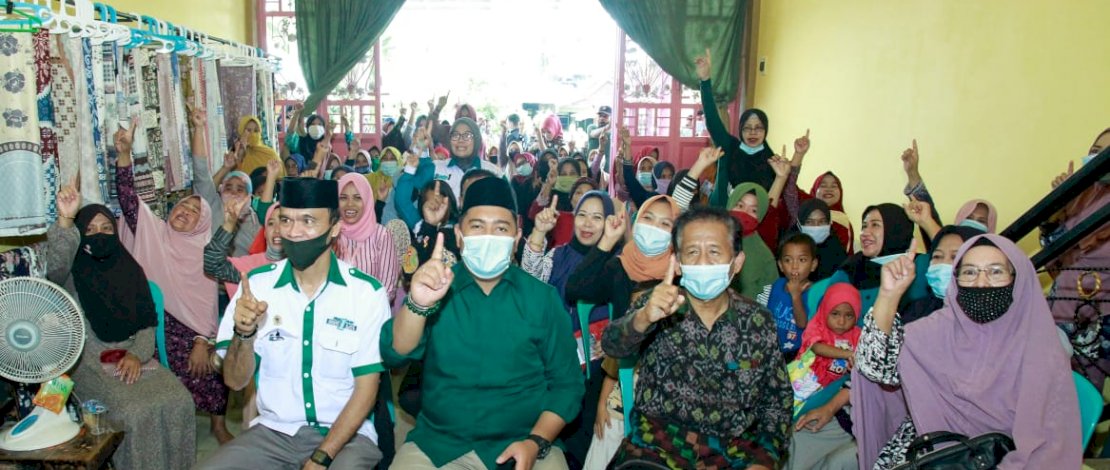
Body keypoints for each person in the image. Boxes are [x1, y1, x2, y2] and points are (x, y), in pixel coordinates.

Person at [382, 176, 583, 470]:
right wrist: (418, 304)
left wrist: (536, 441)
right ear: (460, 236)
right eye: (477, 227)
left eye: (501, 228)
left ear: (517, 238)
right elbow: (394, 353)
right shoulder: (438, 288)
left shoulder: (542, 299)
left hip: (525, 441)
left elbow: (567, 385)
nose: (489, 236)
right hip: (440, 444)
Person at [203, 178, 390, 469]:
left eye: (308, 221)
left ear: (335, 228)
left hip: (346, 435)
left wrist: (320, 458)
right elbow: (235, 381)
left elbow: (367, 390)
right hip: (274, 432)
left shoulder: (366, 293)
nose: (293, 232)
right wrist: (244, 333)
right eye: (285, 220)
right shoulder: (257, 286)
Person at [853, 234, 1081, 469]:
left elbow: (1045, 448)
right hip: (927, 451)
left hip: (995, 459)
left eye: (995, 272)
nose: (981, 283)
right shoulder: (938, 329)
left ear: (1017, 279)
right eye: (970, 272)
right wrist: (888, 295)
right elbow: (875, 369)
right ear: (956, 280)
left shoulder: (1040, 348)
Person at [602, 206, 791, 469]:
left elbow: (777, 401)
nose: (702, 262)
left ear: (736, 262)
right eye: (692, 252)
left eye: (714, 252)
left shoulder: (758, 322)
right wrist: (643, 318)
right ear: (677, 263)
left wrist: (765, 458)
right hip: (657, 450)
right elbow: (611, 344)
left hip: (732, 454)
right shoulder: (658, 305)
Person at [47, 183, 195, 470]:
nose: (99, 234)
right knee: (133, 411)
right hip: (86, 360)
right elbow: (54, 265)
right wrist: (66, 220)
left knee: (179, 400)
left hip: (132, 354)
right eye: (89, 230)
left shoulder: (129, 269)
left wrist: (136, 355)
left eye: (106, 227)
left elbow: (146, 321)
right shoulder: (70, 273)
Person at [113, 120, 231, 443]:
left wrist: (201, 342)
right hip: (147, 323)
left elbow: (207, 309)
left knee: (213, 366)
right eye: (183, 206)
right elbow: (128, 200)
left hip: (188, 332)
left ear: (201, 224)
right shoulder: (151, 231)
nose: (185, 212)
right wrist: (124, 155)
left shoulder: (203, 254)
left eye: (195, 212)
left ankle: (218, 425)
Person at [521, 190, 620, 467]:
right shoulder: (560, 255)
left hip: (600, 367)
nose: (587, 224)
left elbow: (628, 310)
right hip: (556, 361)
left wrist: (612, 338)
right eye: (582, 216)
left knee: (589, 438)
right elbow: (530, 280)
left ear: (610, 222)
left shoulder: (619, 262)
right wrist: (539, 232)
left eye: (597, 217)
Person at [1045, 128, 1110, 384]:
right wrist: (1060, 206)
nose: (1099, 157)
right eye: (1095, 151)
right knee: (1044, 381)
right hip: (1061, 305)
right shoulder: (1084, 194)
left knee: (1080, 389)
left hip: (1097, 319)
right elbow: (1054, 253)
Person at [567, 195, 678, 333]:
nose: (654, 227)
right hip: (624, 350)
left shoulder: (680, 274)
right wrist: (607, 240)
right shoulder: (619, 268)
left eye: (665, 224)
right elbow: (574, 290)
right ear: (636, 222)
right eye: (648, 218)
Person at [695, 49, 777, 206]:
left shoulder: (771, 160)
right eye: (747, 128)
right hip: (722, 219)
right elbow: (712, 121)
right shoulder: (729, 146)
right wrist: (705, 81)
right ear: (740, 130)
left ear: (765, 131)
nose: (753, 132)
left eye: (758, 128)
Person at [902, 225, 984, 324]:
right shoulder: (918, 310)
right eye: (937, 256)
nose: (943, 263)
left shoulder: (987, 316)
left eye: (955, 257)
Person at [336, 173, 400, 301]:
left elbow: (388, 288)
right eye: (343, 198)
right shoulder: (332, 233)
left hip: (371, 315)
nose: (350, 204)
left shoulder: (381, 236)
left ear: (367, 199)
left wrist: (365, 313)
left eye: (357, 198)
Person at [756, 233, 818, 358]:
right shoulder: (776, 285)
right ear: (780, 266)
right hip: (772, 348)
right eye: (788, 260)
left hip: (798, 353)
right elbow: (761, 313)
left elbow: (802, 324)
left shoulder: (815, 293)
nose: (794, 266)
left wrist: (796, 296)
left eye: (802, 260)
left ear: (813, 265)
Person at [796, 283, 861, 388]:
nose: (841, 322)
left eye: (849, 316)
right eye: (835, 314)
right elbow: (816, 347)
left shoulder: (857, 334)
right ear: (825, 310)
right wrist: (849, 354)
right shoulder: (817, 326)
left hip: (836, 386)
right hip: (805, 380)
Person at [726, 183, 780, 299]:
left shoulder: (764, 255)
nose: (744, 213)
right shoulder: (710, 236)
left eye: (754, 210)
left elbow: (767, 295)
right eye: (740, 206)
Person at [797, 199, 848, 280]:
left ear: (829, 223)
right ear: (800, 224)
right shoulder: (790, 250)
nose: (816, 226)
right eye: (809, 222)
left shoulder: (836, 250)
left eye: (822, 221)